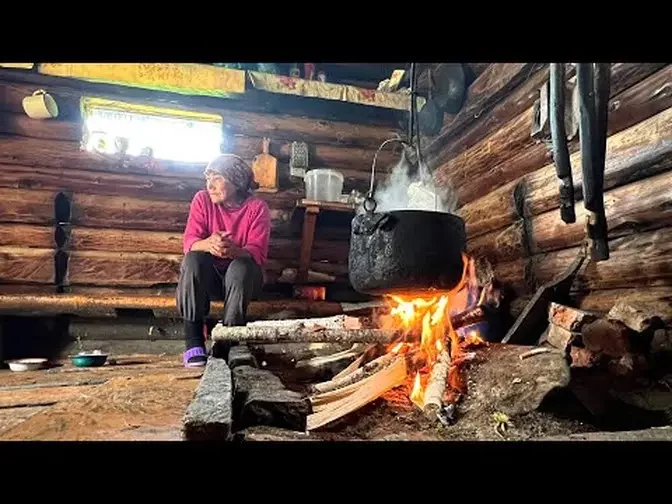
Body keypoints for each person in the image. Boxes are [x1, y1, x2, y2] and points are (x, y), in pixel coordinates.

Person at [176, 154, 271, 367]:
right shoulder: (202, 200)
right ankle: (194, 341)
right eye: (207, 178)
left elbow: (257, 252)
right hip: (211, 281)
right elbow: (190, 242)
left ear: (236, 182)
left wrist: (233, 250)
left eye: (217, 178)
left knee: (240, 267)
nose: (210, 185)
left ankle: (226, 342)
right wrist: (209, 243)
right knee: (193, 259)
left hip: (244, 282)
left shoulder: (257, 208)